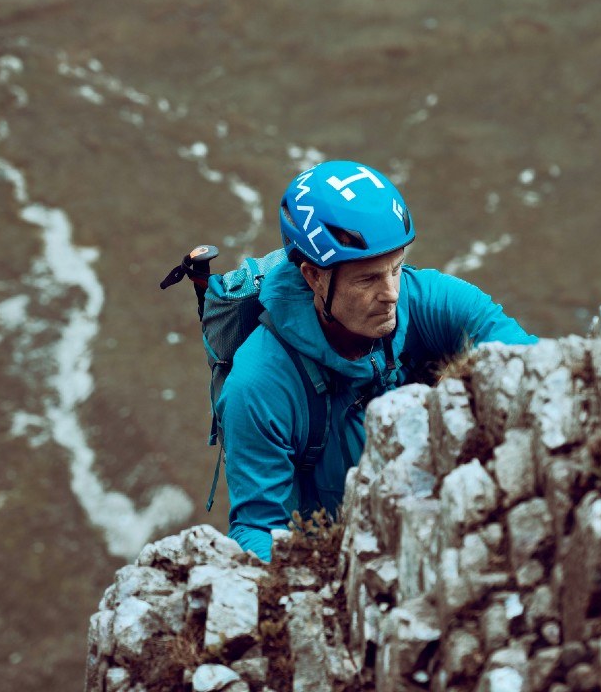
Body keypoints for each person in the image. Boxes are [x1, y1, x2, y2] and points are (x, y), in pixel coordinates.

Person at [216, 160, 537, 561]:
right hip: (340, 559)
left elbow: (532, 364)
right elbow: (258, 526)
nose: (391, 294)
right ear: (314, 277)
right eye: (367, 279)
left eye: (397, 268)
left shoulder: (430, 300)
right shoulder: (259, 386)